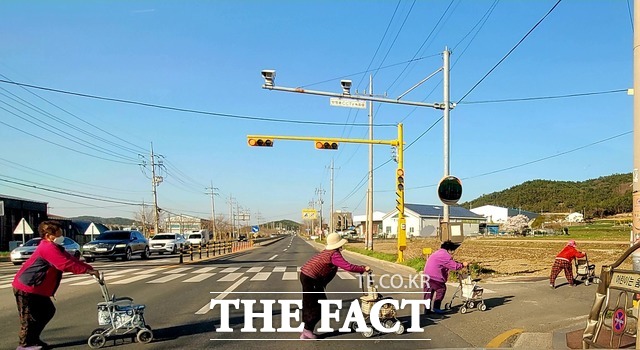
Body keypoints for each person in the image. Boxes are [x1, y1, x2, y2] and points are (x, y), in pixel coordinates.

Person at [12, 220, 100, 350]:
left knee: (47, 312)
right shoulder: (47, 248)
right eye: (58, 234)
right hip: (27, 287)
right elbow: (64, 264)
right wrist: (87, 271)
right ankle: (25, 345)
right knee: (29, 317)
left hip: (37, 288)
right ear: (48, 236)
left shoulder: (55, 247)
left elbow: (71, 260)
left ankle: (33, 340)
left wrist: (89, 268)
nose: (61, 237)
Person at [298, 232, 370, 340]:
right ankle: (307, 330)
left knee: (310, 303)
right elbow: (348, 266)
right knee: (319, 305)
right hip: (311, 279)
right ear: (338, 244)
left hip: (306, 275)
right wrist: (363, 268)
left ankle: (306, 329)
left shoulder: (327, 252)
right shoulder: (334, 254)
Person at [423, 240, 469, 314]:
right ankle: (436, 308)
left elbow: (448, 263)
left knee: (428, 293)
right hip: (436, 277)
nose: (453, 253)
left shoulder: (437, 253)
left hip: (427, 275)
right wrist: (463, 264)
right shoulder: (445, 255)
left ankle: (427, 309)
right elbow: (454, 266)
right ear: (449, 250)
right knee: (441, 289)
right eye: (453, 250)